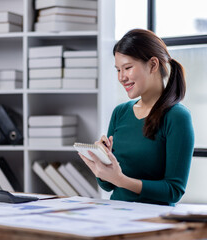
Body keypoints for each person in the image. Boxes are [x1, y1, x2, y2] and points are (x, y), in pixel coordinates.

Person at [78, 29, 195, 206]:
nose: (121, 77)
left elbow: (174, 191)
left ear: (153, 65)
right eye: (118, 70)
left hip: (153, 221)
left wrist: (120, 179)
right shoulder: (120, 112)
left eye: (127, 68)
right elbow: (108, 185)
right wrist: (101, 165)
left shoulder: (177, 117)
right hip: (115, 214)